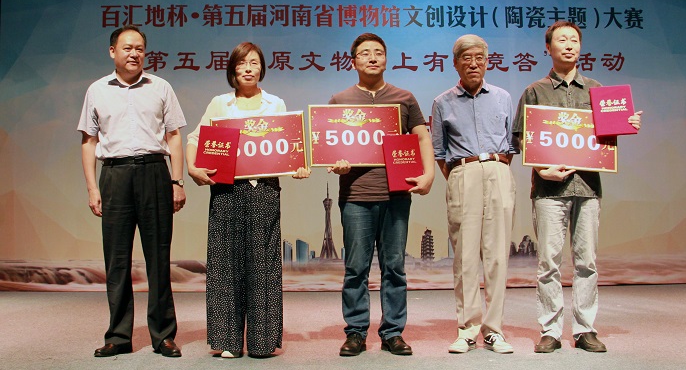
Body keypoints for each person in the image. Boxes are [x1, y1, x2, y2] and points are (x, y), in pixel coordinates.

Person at [512, 21, 643, 353]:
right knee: (549, 263)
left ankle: (585, 329)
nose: (569, 45)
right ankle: (551, 330)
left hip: (588, 188)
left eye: (574, 39)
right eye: (562, 40)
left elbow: (609, 134)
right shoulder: (535, 91)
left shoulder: (597, 90)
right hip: (548, 191)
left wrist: (628, 124)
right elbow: (520, 138)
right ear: (548, 48)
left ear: (580, 47)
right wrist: (542, 168)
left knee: (586, 262)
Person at [186, 41, 309, 359]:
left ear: (262, 68)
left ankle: (262, 341)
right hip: (226, 191)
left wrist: (298, 165)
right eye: (242, 63)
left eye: (254, 62)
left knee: (264, 264)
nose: (248, 68)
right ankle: (227, 340)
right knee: (224, 263)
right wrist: (193, 167)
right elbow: (195, 138)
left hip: (263, 190)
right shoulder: (220, 104)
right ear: (233, 69)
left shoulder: (275, 104)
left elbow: (290, 145)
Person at [78, 25, 186, 358]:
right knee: (117, 260)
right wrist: (92, 187)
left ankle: (163, 335)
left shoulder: (161, 87)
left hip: (155, 172)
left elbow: (174, 136)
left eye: (139, 48)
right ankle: (118, 336)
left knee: (159, 258)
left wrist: (177, 181)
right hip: (115, 175)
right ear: (113, 51)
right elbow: (89, 141)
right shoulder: (97, 90)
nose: (134, 53)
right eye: (127, 48)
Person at [328, 33, 435, 357]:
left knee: (394, 267)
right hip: (356, 196)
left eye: (378, 52)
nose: (372, 57)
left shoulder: (404, 98)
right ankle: (355, 332)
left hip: (396, 195)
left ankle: (393, 332)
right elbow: (330, 146)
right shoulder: (340, 101)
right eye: (365, 53)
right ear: (353, 62)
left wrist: (429, 174)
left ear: (386, 59)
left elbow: (422, 137)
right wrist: (338, 164)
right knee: (356, 268)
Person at [431, 34, 518, 355]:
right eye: (466, 58)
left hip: (498, 170)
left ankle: (494, 331)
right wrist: (462, 175)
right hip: (462, 172)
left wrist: (494, 167)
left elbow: (511, 145)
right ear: (455, 64)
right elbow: (439, 152)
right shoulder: (442, 102)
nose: (473, 64)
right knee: (465, 257)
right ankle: (467, 330)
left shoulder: (503, 97)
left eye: (479, 58)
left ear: (487, 61)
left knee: (497, 256)